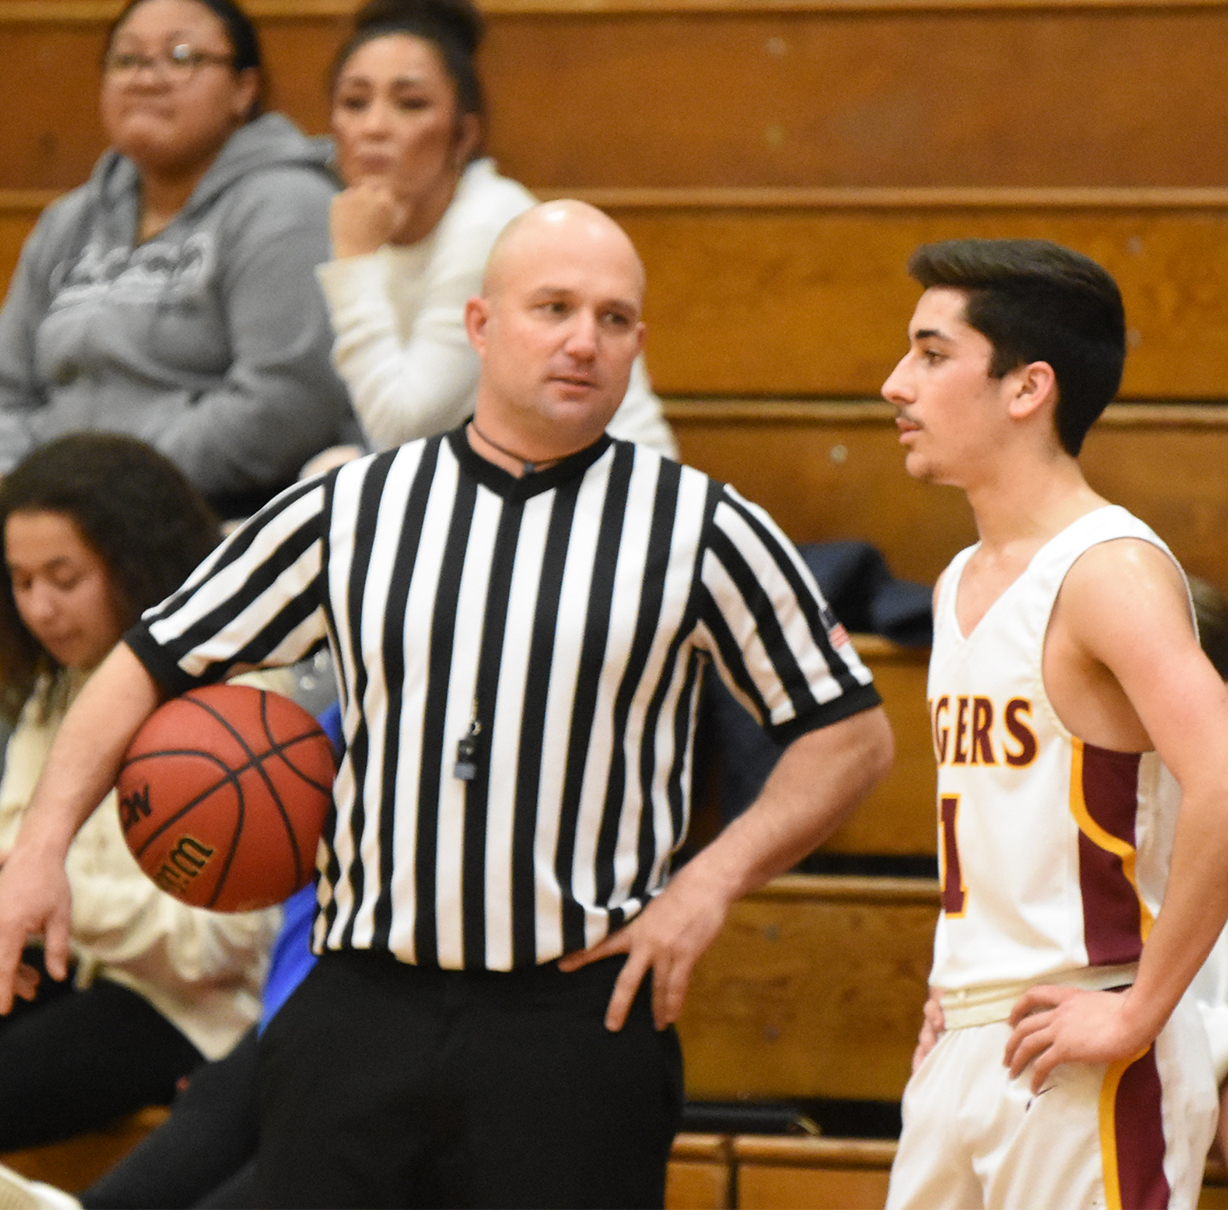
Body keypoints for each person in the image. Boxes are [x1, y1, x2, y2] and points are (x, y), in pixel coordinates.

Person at [0, 200, 891, 1210]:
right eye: (552, 306)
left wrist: (706, 885)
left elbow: (849, 736)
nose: (581, 339)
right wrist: (39, 850)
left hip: (575, 1021)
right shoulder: (354, 506)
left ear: (638, 345)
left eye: (612, 319)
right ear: (479, 325)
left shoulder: (702, 526)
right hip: (358, 1006)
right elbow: (147, 660)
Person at [880, 238, 1228, 1209]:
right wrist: (962, 989)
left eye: (931, 353)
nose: (894, 382)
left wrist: (1141, 1012)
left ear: (1027, 387)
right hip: (970, 1036)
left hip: (1089, 1032)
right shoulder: (958, 580)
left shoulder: (1105, 569)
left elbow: (1223, 780)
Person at [0, 433, 280, 1154]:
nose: (40, 609)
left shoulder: (233, 701)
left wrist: (51, 897)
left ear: (134, 565)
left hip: (189, 1015)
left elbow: (219, 945)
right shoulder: (55, 686)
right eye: (21, 581)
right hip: (82, 976)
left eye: (65, 578)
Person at [0, 0, 358, 518]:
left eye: (181, 56)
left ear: (244, 88)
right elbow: (7, 390)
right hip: (47, 515)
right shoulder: (69, 220)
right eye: (127, 60)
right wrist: (26, 489)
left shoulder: (287, 205)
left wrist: (105, 490)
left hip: (204, 518)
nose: (148, 78)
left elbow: (284, 403)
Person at [314, 0, 676, 459]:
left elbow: (400, 426)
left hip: (605, 489)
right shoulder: (365, 223)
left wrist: (355, 265)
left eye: (410, 104)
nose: (374, 127)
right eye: (354, 103)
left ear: (464, 134)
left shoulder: (489, 222)